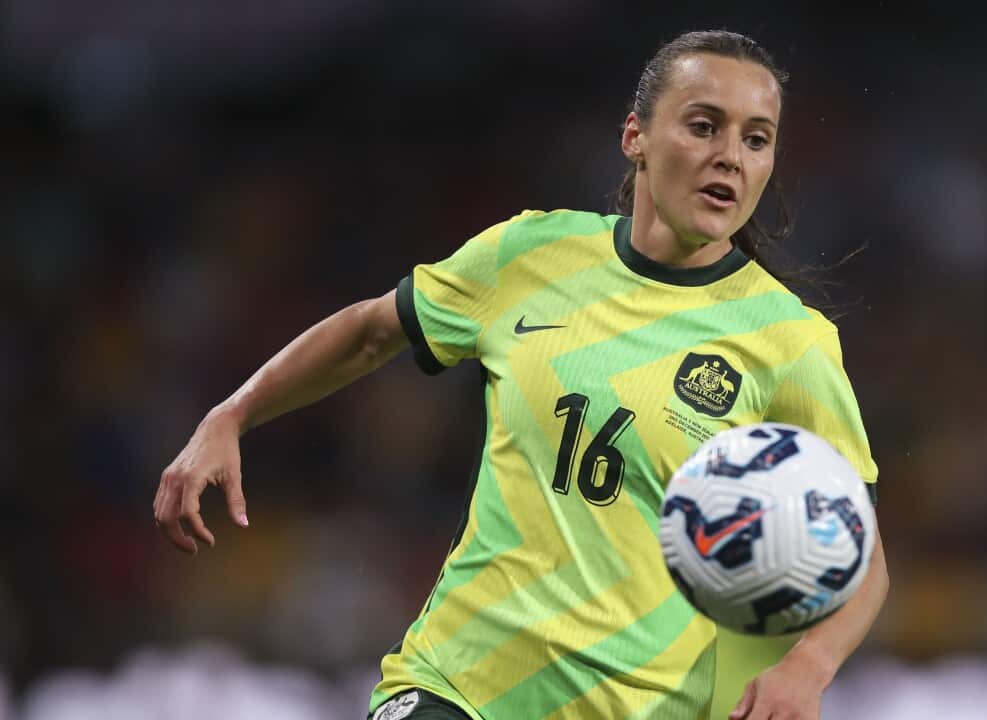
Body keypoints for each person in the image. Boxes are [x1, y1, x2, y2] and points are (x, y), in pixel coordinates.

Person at [153, 29, 889, 720]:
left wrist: (807, 667)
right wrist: (233, 414)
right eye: (704, 125)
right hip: (458, 685)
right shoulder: (529, 255)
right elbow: (372, 331)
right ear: (635, 136)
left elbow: (860, 557)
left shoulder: (788, 342)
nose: (731, 155)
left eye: (756, 139)